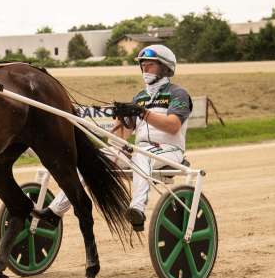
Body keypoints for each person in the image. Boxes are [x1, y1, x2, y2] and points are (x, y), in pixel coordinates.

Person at [36, 44, 192, 232]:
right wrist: (120, 123)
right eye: (143, 65)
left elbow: (173, 126)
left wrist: (142, 113)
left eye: (150, 65)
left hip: (170, 151)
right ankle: (54, 212)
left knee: (142, 155)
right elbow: (122, 135)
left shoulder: (178, 94)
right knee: (92, 160)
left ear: (165, 68)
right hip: (141, 151)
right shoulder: (140, 97)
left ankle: (137, 209)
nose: (145, 69)